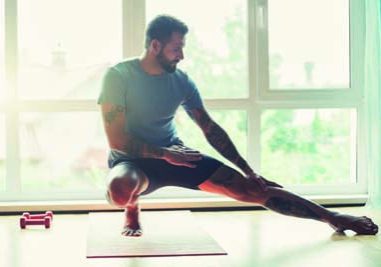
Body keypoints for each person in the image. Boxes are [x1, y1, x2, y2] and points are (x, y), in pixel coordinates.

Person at [98, 15, 378, 237]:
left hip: (178, 157)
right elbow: (118, 141)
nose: (181, 55)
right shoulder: (119, 76)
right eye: (176, 48)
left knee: (252, 190)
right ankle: (132, 208)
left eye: (182, 48)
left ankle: (333, 218)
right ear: (155, 46)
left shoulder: (181, 81)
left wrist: (248, 171)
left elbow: (210, 129)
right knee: (122, 190)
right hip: (132, 161)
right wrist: (164, 154)